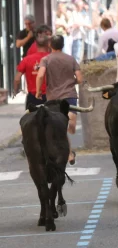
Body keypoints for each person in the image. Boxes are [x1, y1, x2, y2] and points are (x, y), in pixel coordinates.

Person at [36, 35, 83, 165]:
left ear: (50, 45)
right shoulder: (71, 59)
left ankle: (68, 152)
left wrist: (39, 92)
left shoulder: (45, 59)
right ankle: (69, 151)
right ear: (62, 45)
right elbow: (79, 79)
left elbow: (40, 76)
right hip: (70, 96)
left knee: (59, 127)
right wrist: (70, 82)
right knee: (70, 127)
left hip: (53, 98)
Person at [14, 29, 50, 108]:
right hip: (49, 97)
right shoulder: (52, 58)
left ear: (35, 45)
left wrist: (15, 90)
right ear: (48, 44)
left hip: (33, 97)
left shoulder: (26, 60)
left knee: (29, 119)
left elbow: (17, 78)